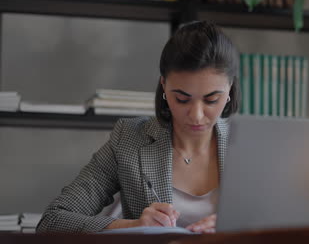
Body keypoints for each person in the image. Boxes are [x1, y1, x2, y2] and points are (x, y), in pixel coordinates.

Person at [36, 21, 240, 233]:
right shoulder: (129, 139)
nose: (197, 115)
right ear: (164, 85)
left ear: (230, 88)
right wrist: (133, 227)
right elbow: (52, 221)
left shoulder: (251, 146)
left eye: (211, 99)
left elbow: (276, 225)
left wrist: (238, 230)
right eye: (181, 99)